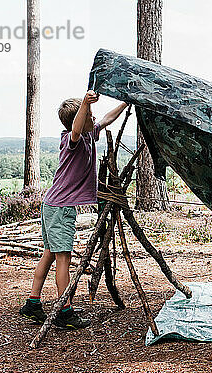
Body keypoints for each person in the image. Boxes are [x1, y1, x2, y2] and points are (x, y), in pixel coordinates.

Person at [19, 91, 129, 329]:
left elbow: (108, 118)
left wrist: (125, 103)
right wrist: (85, 105)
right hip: (60, 208)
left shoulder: (91, 134)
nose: (93, 116)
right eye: (89, 113)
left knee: (49, 253)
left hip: (53, 205)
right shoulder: (72, 140)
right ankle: (64, 311)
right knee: (63, 260)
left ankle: (33, 303)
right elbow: (77, 128)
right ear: (79, 118)